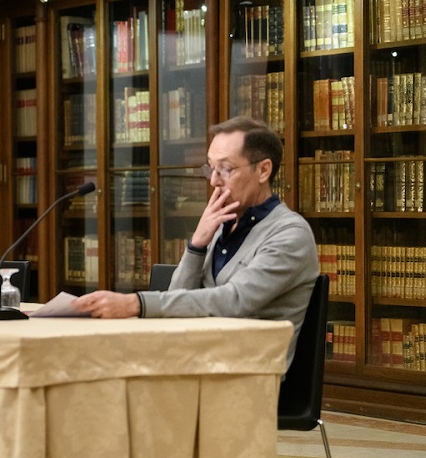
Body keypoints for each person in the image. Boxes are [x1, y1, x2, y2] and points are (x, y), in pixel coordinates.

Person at [72, 116, 318, 368]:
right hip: (198, 359)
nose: (213, 181)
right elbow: (178, 298)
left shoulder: (290, 233)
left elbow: (233, 301)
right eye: (210, 168)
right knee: (94, 364)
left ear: (263, 170)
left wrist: (136, 303)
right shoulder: (223, 223)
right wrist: (197, 245)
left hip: (249, 375)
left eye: (225, 169)